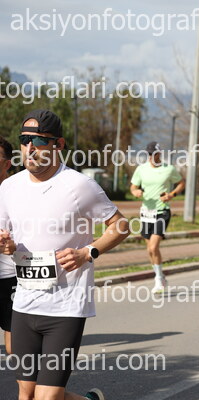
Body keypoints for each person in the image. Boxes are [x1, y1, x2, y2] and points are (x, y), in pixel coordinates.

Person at [0, 109, 130, 400]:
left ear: (58, 144)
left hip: (66, 306)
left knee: (46, 397)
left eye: (38, 140)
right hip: (24, 303)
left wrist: (88, 252)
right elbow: (7, 239)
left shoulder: (79, 186)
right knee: (27, 393)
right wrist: (6, 245)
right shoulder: (9, 187)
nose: (29, 147)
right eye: (24, 140)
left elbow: (121, 226)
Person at [130, 141, 186, 294]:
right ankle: (160, 276)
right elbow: (133, 186)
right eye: (149, 154)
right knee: (150, 250)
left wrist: (172, 194)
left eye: (153, 154)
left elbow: (181, 183)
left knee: (153, 247)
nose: (150, 156)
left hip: (162, 211)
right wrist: (135, 192)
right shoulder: (141, 169)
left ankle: (158, 279)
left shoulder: (169, 169)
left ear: (159, 154)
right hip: (146, 213)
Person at [0, 137, 16, 355]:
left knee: (15, 350)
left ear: (7, 163)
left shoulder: (18, 191)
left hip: (12, 277)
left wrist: (13, 244)